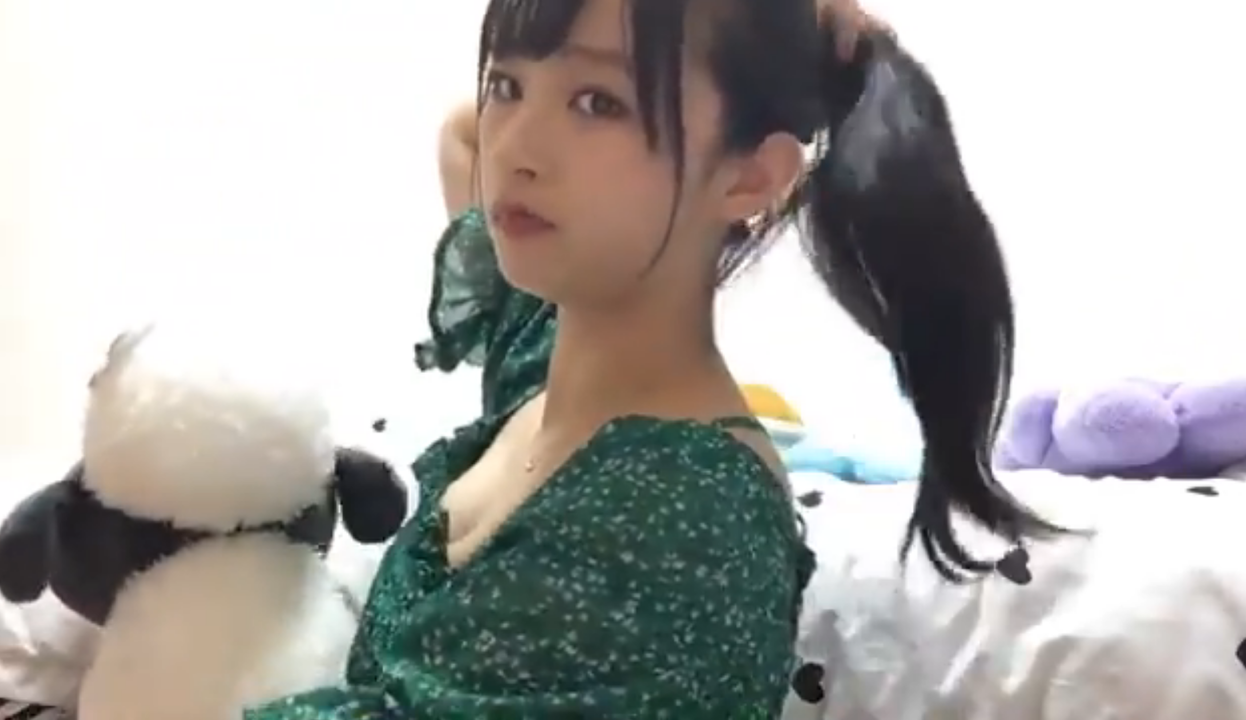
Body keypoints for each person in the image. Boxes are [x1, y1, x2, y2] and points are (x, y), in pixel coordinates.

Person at [247, 0, 1063, 717]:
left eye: (597, 103)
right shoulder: (552, 363)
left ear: (752, 177)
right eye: (508, 86)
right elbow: (466, 136)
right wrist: (799, 28)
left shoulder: (674, 523)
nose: (516, 149)